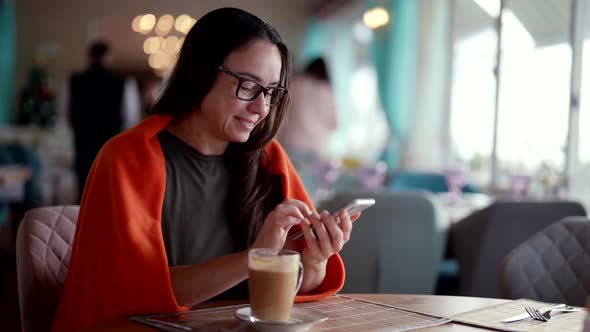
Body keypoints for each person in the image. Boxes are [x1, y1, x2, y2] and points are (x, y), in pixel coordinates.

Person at [52, 8, 358, 332]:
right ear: (201, 73)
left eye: (270, 92)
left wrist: (315, 260)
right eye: (248, 85)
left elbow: (293, 293)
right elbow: (138, 294)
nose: (260, 108)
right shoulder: (128, 158)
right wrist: (256, 256)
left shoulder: (268, 160)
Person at [59, 40, 141, 202]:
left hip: (83, 142)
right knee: (109, 190)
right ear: (109, 57)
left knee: (84, 189)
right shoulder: (123, 82)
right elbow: (131, 118)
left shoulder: (75, 80)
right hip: (111, 144)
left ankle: (81, 223)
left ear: (89, 57)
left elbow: (64, 112)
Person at [276, 57, 338, 196]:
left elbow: (280, 116)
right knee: (309, 192)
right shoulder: (327, 91)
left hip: (291, 144)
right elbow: (334, 123)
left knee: (287, 190)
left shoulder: (295, 84)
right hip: (315, 148)